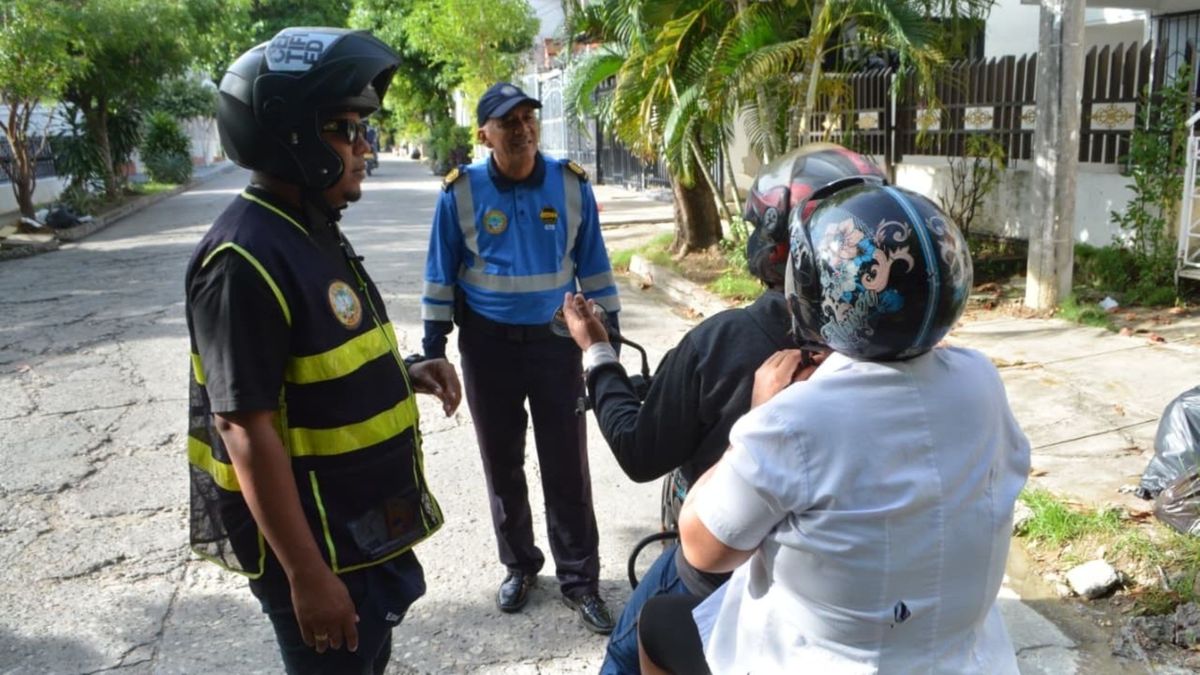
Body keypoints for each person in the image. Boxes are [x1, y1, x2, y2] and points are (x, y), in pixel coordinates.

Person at [637, 184, 1031, 674]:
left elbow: (702, 548)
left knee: (659, 619)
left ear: (812, 291)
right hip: (962, 658)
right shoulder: (981, 383)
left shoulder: (793, 420)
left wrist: (755, 416)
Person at [184, 27, 461, 675]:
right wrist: (307, 576)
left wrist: (406, 373)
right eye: (345, 128)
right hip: (318, 549)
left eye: (364, 128)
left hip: (359, 532)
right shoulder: (242, 260)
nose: (365, 147)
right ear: (292, 136)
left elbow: (314, 360)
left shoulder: (309, 227)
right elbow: (242, 428)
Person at [561, 144, 887, 674]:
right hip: (857, 588)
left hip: (730, 570)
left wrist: (596, 352)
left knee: (627, 649)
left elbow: (640, 455)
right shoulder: (905, 354)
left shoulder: (725, 344)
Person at [420, 81, 621, 634]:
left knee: (567, 465)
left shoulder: (570, 185)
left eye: (529, 118)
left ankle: (580, 580)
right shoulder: (460, 193)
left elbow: (595, 265)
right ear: (485, 133)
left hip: (556, 344)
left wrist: (609, 333)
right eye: (508, 122)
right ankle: (520, 566)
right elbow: (441, 274)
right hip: (486, 347)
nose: (523, 129)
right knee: (501, 462)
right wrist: (433, 347)